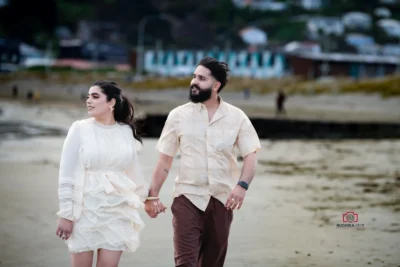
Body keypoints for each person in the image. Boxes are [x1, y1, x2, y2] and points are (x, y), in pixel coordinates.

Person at [144, 57, 262, 267]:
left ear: (216, 86)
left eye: (201, 78)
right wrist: (152, 196)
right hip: (187, 198)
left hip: (222, 201)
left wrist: (242, 186)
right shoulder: (178, 116)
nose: (194, 82)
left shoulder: (237, 117)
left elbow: (251, 157)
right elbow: (164, 161)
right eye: (194, 77)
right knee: (185, 263)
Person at [55, 81, 149, 267]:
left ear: (111, 102)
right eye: (88, 96)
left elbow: (134, 172)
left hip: (117, 210)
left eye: (95, 97)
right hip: (84, 209)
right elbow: (67, 173)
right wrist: (67, 215)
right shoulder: (80, 129)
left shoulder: (126, 131)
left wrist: (150, 198)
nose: (89, 101)